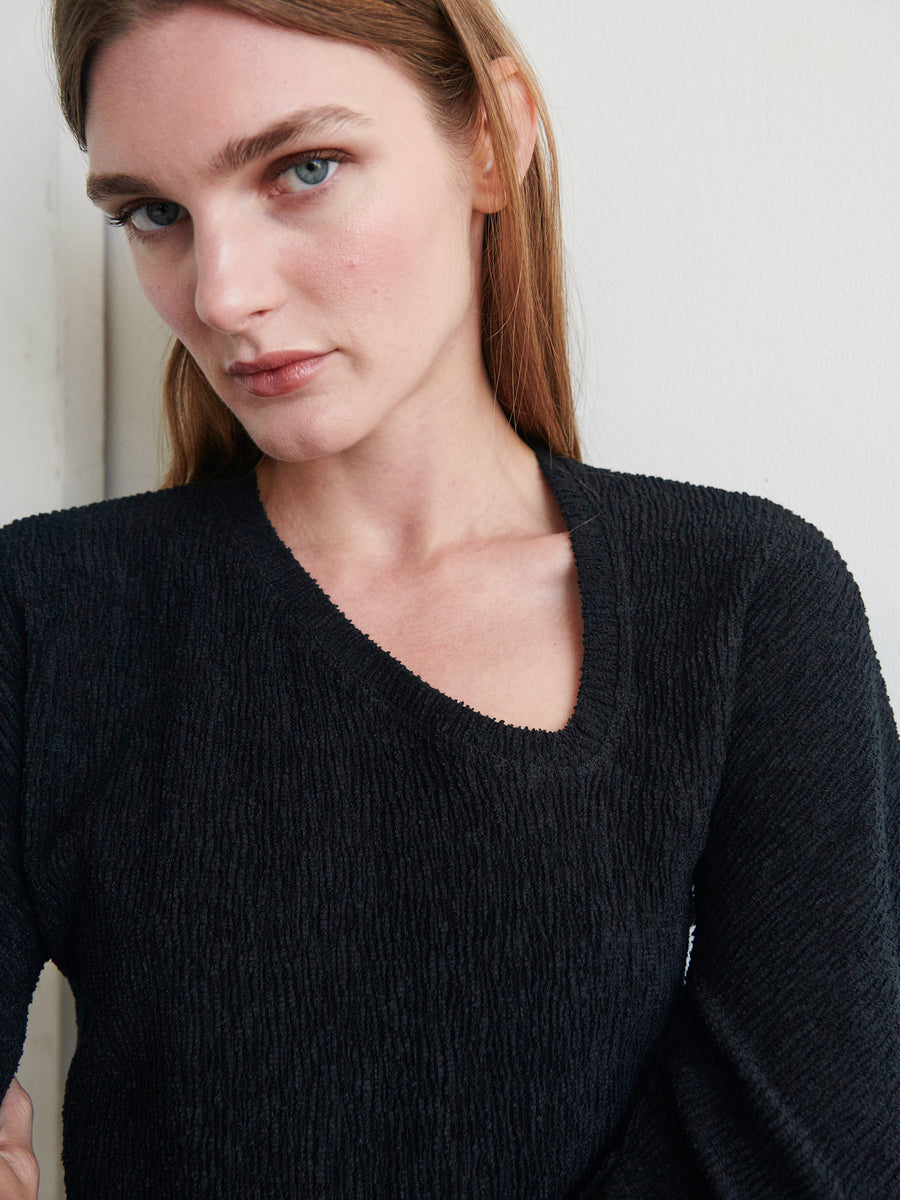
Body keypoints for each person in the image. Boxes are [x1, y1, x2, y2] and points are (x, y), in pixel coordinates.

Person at [1, 0, 898, 1195]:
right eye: (153, 213)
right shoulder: (46, 616)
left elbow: (811, 1158)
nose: (220, 296)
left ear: (492, 138)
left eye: (303, 169)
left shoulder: (742, 606)